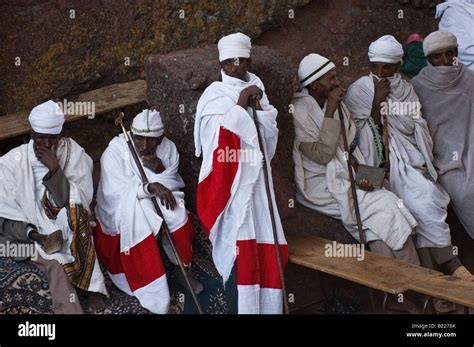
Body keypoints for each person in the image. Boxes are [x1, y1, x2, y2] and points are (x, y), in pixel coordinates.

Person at [345, 35, 473, 285]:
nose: (381, 73)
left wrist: (397, 115)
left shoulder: (406, 89)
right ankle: (446, 269)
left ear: (397, 67)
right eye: (376, 67)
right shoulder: (360, 89)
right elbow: (355, 135)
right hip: (376, 165)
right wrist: (376, 106)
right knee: (413, 204)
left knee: (427, 197)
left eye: (388, 68)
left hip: (408, 161)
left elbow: (418, 126)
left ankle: (442, 274)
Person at [291, 53, 419, 265]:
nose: (337, 82)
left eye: (335, 76)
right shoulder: (299, 110)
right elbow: (322, 155)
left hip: (346, 170)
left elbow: (348, 148)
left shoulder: (337, 104)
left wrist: (362, 174)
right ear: (314, 84)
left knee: (384, 198)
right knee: (385, 204)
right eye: (330, 79)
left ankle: (402, 288)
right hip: (321, 182)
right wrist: (331, 108)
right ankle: (416, 284)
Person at [194, 32, 288, 314]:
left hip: (258, 182)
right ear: (222, 64)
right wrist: (239, 105)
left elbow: (269, 134)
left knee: (265, 247)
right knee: (240, 251)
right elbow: (218, 145)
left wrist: (257, 108)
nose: (234, 67)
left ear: (248, 60)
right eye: (228, 62)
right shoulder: (214, 96)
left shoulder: (258, 87)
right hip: (233, 188)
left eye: (239, 61)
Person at [0, 100, 107, 313]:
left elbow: (78, 202)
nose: (47, 143)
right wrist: (35, 235)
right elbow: (5, 219)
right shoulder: (12, 163)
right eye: (41, 137)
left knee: (78, 219)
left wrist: (55, 170)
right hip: (25, 236)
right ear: (31, 134)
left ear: (60, 134)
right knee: (55, 260)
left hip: (64, 221)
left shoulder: (72, 153)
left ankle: (93, 286)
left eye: (52, 137)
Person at [94, 109, 201, 314]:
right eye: (139, 139)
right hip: (124, 205)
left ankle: (180, 268)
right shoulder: (114, 151)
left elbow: (172, 182)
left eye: (151, 141)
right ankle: (150, 283)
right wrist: (150, 188)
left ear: (161, 137)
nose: (144, 146)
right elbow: (116, 193)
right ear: (132, 135)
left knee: (176, 212)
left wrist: (160, 170)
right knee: (142, 216)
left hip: (156, 195)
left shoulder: (168, 148)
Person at [411, 31, 474, 240]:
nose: (446, 60)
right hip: (447, 162)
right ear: (428, 60)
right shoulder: (419, 86)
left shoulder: (468, 78)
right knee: (466, 194)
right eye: (438, 56)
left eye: (450, 53)